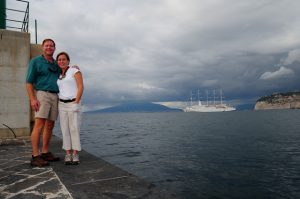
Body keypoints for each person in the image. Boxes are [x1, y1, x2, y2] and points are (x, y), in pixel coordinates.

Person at [26, 38, 61, 167]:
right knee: (39, 124)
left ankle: (45, 152)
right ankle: (35, 156)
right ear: (43, 47)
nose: (49, 48)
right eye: (47, 46)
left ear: (54, 48)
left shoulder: (56, 64)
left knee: (50, 125)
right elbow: (29, 82)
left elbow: (64, 72)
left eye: (51, 46)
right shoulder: (35, 61)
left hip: (55, 95)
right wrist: (33, 99)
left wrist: (73, 67)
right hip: (42, 94)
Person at [56, 52, 84, 165]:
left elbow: (81, 86)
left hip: (73, 102)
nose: (61, 61)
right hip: (61, 104)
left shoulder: (74, 71)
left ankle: (75, 153)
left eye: (64, 59)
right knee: (65, 129)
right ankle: (68, 153)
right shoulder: (58, 74)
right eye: (59, 60)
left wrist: (76, 101)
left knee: (74, 128)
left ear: (68, 61)